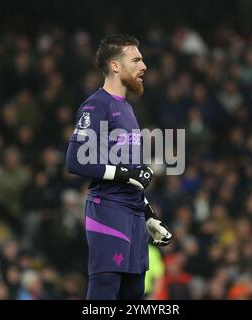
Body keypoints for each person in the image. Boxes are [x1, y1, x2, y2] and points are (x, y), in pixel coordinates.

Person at [66, 34, 172, 300]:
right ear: (115, 65)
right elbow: (75, 159)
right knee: (104, 296)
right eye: (136, 59)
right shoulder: (96, 105)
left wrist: (148, 215)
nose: (144, 66)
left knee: (134, 296)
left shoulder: (126, 109)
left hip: (134, 216)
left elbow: (131, 171)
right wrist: (126, 173)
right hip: (108, 212)